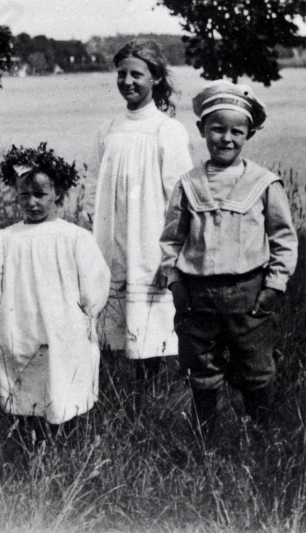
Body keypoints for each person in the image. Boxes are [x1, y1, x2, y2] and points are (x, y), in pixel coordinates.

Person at [158, 81, 298, 434]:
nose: (226, 138)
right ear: (202, 129)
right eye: (217, 129)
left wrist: (274, 285)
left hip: (248, 294)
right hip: (197, 296)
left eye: (237, 131)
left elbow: (283, 238)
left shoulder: (264, 183)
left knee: (255, 367)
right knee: (200, 366)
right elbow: (171, 238)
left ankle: (261, 437)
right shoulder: (188, 184)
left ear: (248, 134)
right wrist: (174, 281)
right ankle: (206, 440)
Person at [0, 143, 110, 442]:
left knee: (62, 385)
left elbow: (95, 284)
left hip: (63, 329)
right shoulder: (5, 240)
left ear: (58, 195)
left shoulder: (75, 238)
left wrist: (83, 315)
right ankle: (25, 444)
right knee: (21, 385)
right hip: (19, 328)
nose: (32, 202)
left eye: (40, 195)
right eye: (25, 195)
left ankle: (67, 442)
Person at [93, 39, 193, 381]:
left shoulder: (167, 131)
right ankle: (111, 402)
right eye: (122, 74)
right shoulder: (108, 130)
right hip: (112, 243)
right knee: (109, 333)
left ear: (156, 79)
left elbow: (182, 200)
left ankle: (146, 404)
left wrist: (173, 256)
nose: (128, 82)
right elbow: (101, 195)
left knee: (149, 337)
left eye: (137, 74)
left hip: (149, 245)